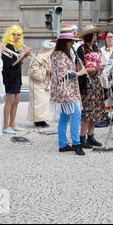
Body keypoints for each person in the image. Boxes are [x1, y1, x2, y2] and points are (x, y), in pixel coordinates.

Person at [50, 25, 88, 155]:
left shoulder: (62, 54)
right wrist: (80, 72)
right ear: (64, 42)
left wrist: (76, 68)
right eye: (71, 41)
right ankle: (76, 144)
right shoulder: (58, 55)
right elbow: (64, 74)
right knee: (76, 114)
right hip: (64, 90)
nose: (72, 43)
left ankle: (63, 144)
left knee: (65, 117)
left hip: (67, 89)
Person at [76, 25, 107, 148]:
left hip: (97, 81)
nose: (95, 38)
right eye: (93, 35)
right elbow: (79, 68)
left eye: (96, 35)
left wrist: (102, 66)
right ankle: (82, 137)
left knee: (96, 110)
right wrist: (94, 68)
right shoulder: (81, 49)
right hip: (86, 82)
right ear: (88, 36)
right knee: (87, 110)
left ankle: (91, 135)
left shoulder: (96, 48)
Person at [1, 25, 33, 135]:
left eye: (19, 34)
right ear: (10, 35)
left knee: (16, 101)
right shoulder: (8, 47)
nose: (17, 37)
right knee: (9, 102)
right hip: (10, 77)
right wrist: (23, 54)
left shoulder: (15, 47)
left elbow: (18, 62)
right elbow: (10, 64)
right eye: (15, 34)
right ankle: (5, 126)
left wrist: (23, 56)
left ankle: (12, 124)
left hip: (17, 76)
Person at [27, 40, 55, 128]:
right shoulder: (38, 58)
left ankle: (42, 120)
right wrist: (46, 71)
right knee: (38, 103)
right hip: (37, 84)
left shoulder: (48, 58)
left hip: (45, 83)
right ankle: (37, 121)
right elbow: (33, 72)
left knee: (44, 102)